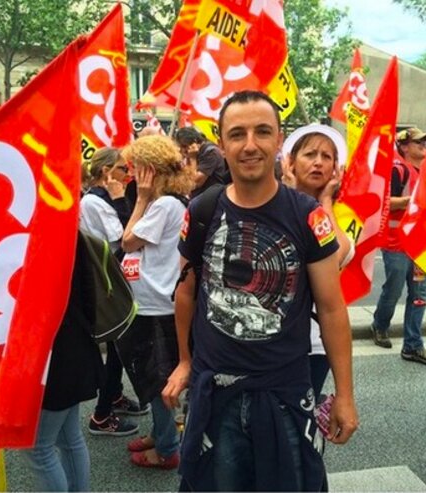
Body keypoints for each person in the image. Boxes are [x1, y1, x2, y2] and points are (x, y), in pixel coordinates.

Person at [162, 91, 358, 491]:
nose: (250, 145)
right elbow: (185, 294)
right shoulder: (201, 211)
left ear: (278, 140)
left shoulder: (307, 216)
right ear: (222, 143)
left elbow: (333, 309)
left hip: (283, 393)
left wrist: (345, 394)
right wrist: (184, 361)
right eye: (237, 134)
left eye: (262, 132)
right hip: (215, 393)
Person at [115, 135, 195, 469]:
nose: (132, 175)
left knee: (158, 380)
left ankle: (166, 447)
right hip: (154, 303)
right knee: (153, 378)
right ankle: (162, 433)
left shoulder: (163, 205)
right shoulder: (170, 203)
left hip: (156, 308)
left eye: (137, 168)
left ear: (151, 171)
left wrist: (141, 200)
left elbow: (127, 241)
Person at [22, 233, 107, 491]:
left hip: (51, 353)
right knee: (68, 438)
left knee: (38, 447)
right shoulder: (66, 227)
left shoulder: (30, 233)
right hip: (74, 342)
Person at [79, 147, 149, 437]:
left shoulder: (98, 199)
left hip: (113, 275)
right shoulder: (96, 202)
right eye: (122, 168)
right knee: (121, 345)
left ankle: (115, 395)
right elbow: (123, 238)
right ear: (107, 172)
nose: (127, 174)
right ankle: (102, 413)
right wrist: (122, 200)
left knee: (122, 343)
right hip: (109, 279)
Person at [282, 123, 353, 400]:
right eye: (310, 154)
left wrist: (324, 201)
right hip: (271, 342)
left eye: (327, 157)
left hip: (316, 342)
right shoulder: (268, 204)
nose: (318, 163)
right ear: (290, 162)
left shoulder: (341, 212)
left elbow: (334, 256)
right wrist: (289, 193)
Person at [370, 127, 426, 366]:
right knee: (393, 288)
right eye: (418, 141)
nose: (424, 145)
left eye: (425, 141)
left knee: (420, 295)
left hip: (422, 245)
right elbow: (381, 201)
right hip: (396, 243)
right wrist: (410, 201)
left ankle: (413, 345)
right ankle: (380, 326)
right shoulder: (397, 169)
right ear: (404, 146)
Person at [175, 127, 227, 197]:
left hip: (210, 198)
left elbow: (196, 182)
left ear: (194, 141)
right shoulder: (192, 154)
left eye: (184, 146)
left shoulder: (210, 152)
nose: (183, 150)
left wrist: (192, 158)